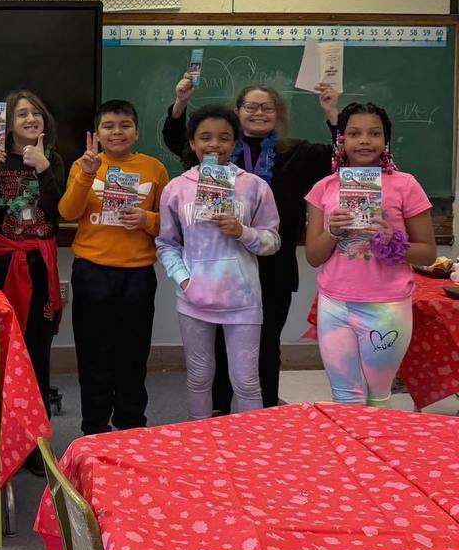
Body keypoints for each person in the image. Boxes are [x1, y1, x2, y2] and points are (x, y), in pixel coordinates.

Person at [163, 77, 339, 411]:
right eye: (251, 106)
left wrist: (332, 113)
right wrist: (181, 103)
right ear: (237, 112)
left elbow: (341, 158)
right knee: (212, 351)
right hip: (214, 272)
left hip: (272, 268)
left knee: (265, 348)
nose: (259, 112)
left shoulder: (297, 153)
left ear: (279, 113)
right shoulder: (212, 159)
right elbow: (181, 139)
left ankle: (263, 417)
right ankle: (217, 412)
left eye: (268, 107)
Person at [305, 102, 434, 406]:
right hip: (335, 305)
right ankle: (349, 441)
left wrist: (393, 240)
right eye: (354, 133)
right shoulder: (324, 188)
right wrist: (333, 232)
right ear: (341, 139)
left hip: (387, 306)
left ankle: (377, 438)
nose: (364, 141)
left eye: (374, 133)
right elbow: (313, 256)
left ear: (385, 140)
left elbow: (428, 253)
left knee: (378, 398)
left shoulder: (406, 185)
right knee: (345, 397)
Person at [156, 105, 281, 421]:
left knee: (247, 381)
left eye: (224, 138)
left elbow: (272, 241)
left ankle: (253, 443)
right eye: (205, 137)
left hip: (242, 299)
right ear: (193, 142)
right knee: (199, 377)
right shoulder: (176, 188)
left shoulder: (253, 185)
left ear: (234, 142)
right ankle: (200, 439)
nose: (215, 145)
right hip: (194, 298)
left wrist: (243, 232)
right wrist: (185, 280)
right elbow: (167, 244)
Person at [58, 100, 169, 434]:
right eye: (108, 126)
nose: (117, 132)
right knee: (93, 354)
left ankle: (132, 424)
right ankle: (94, 426)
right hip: (92, 272)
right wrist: (87, 174)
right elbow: (67, 212)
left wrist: (148, 220)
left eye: (125, 125)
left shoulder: (154, 168)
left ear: (137, 131)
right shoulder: (84, 165)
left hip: (137, 274)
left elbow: (172, 223)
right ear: (97, 133)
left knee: (133, 353)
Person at [0, 90, 65, 464]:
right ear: (7, 124)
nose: (31, 119)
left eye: (37, 113)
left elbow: (57, 210)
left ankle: (36, 446)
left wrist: (44, 169)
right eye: (22, 114)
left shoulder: (53, 159)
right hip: (0, 267)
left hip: (40, 268)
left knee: (36, 356)